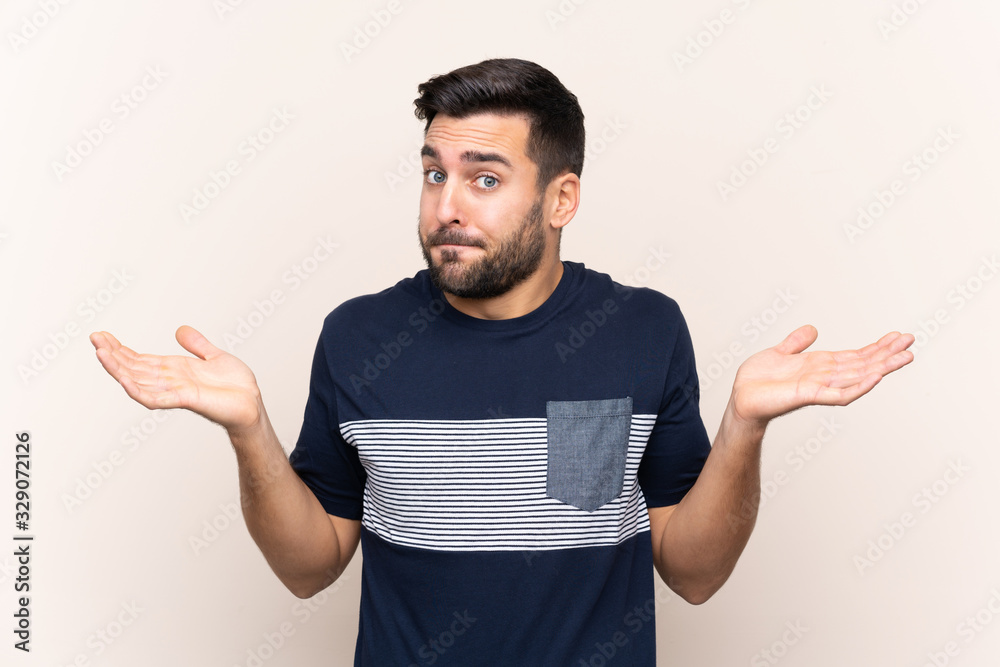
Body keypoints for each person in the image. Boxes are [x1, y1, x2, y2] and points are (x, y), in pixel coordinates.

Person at [90, 58, 915, 666]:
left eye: (484, 179)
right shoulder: (358, 337)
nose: (446, 206)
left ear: (561, 199)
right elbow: (309, 568)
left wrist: (743, 428)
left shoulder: (640, 330)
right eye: (433, 174)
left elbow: (693, 574)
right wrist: (248, 430)